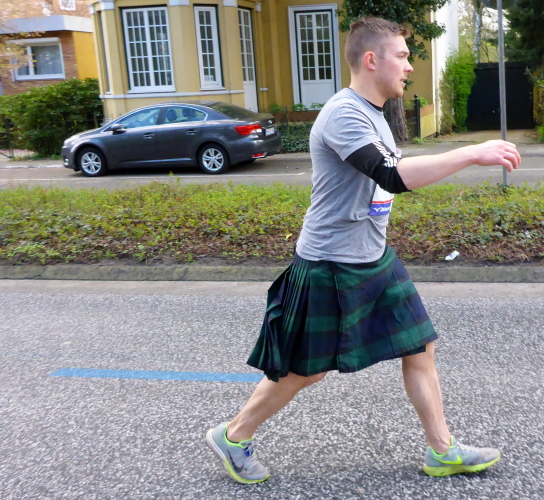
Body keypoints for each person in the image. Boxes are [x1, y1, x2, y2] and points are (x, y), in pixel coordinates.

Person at [205, 17, 521, 484]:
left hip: (373, 257)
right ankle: (233, 436)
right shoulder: (343, 114)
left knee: (419, 345)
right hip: (330, 263)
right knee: (306, 371)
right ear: (372, 60)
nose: (409, 67)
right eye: (403, 56)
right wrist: (472, 153)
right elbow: (391, 174)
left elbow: (389, 174)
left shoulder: (374, 112)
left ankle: (443, 451)